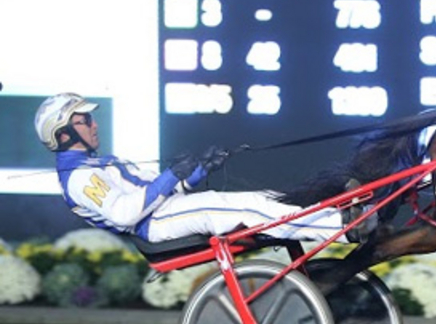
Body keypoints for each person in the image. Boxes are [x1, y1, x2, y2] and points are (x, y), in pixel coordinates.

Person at [34, 92, 374, 244]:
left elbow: (157, 192)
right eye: (85, 120)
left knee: (262, 199)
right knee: (245, 210)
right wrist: (173, 175)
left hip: (165, 211)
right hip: (154, 226)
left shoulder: (99, 162)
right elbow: (125, 213)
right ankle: (342, 228)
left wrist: (196, 173)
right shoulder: (80, 178)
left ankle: (336, 215)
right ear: (63, 134)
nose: (94, 124)